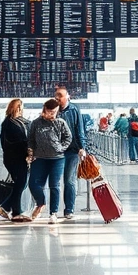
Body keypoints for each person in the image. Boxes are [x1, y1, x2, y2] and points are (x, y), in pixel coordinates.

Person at [27, 98, 72, 224]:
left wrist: (61, 148)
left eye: (54, 112)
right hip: (39, 158)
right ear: (44, 110)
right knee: (33, 183)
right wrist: (30, 151)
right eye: (50, 112)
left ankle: (53, 213)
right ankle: (40, 203)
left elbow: (68, 137)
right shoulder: (36, 123)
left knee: (54, 185)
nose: (52, 114)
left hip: (57, 159)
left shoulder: (60, 122)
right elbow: (30, 139)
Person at [54, 86, 87, 219]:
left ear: (68, 97)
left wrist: (82, 147)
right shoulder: (53, 109)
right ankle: (53, 210)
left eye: (60, 95)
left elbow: (79, 129)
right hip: (56, 151)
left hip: (72, 150)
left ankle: (69, 209)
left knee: (69, 180)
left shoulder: (74, 109)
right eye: (56, 95)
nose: (57, 98)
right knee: (54, 181)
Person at [0, 99, 32, 221]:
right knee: (21, 183)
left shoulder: (16, 122)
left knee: (20, 183)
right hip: (15, 158)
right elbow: (15, 141)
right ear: (17, 108)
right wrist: (26, 147)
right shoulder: (10, 123)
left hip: (14, 157)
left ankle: (14, 210)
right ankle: (7, 207)